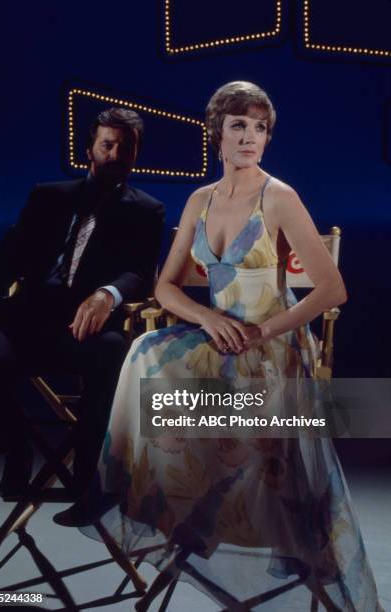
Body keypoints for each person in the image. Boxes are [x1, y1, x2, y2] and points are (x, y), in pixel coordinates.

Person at [55, 83, 383, 611]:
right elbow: (164, 286)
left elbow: (332, 289)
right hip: (219, 335)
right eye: (239, 126)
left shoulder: (279, 197)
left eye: (259, 128)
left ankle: (198, 519)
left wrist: (262, 332)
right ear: (217, 135)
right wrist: (205, 316)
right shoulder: (200, 199)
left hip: (271, 344)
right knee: (143, 355)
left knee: (225, 400)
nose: (250, 137)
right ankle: (139, 499)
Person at [0, 107, 165, 498]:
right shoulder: (48, 196)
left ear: (136, 154)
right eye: (107, 145)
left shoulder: (147, 210)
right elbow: (7, 257)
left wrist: (106, 294)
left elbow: (141, 273)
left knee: (113, 351)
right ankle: (16, 450)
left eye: (125, 148)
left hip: (87, 323)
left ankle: (86, 474)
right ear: (89, 150)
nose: (115, 155)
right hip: (27, 316)